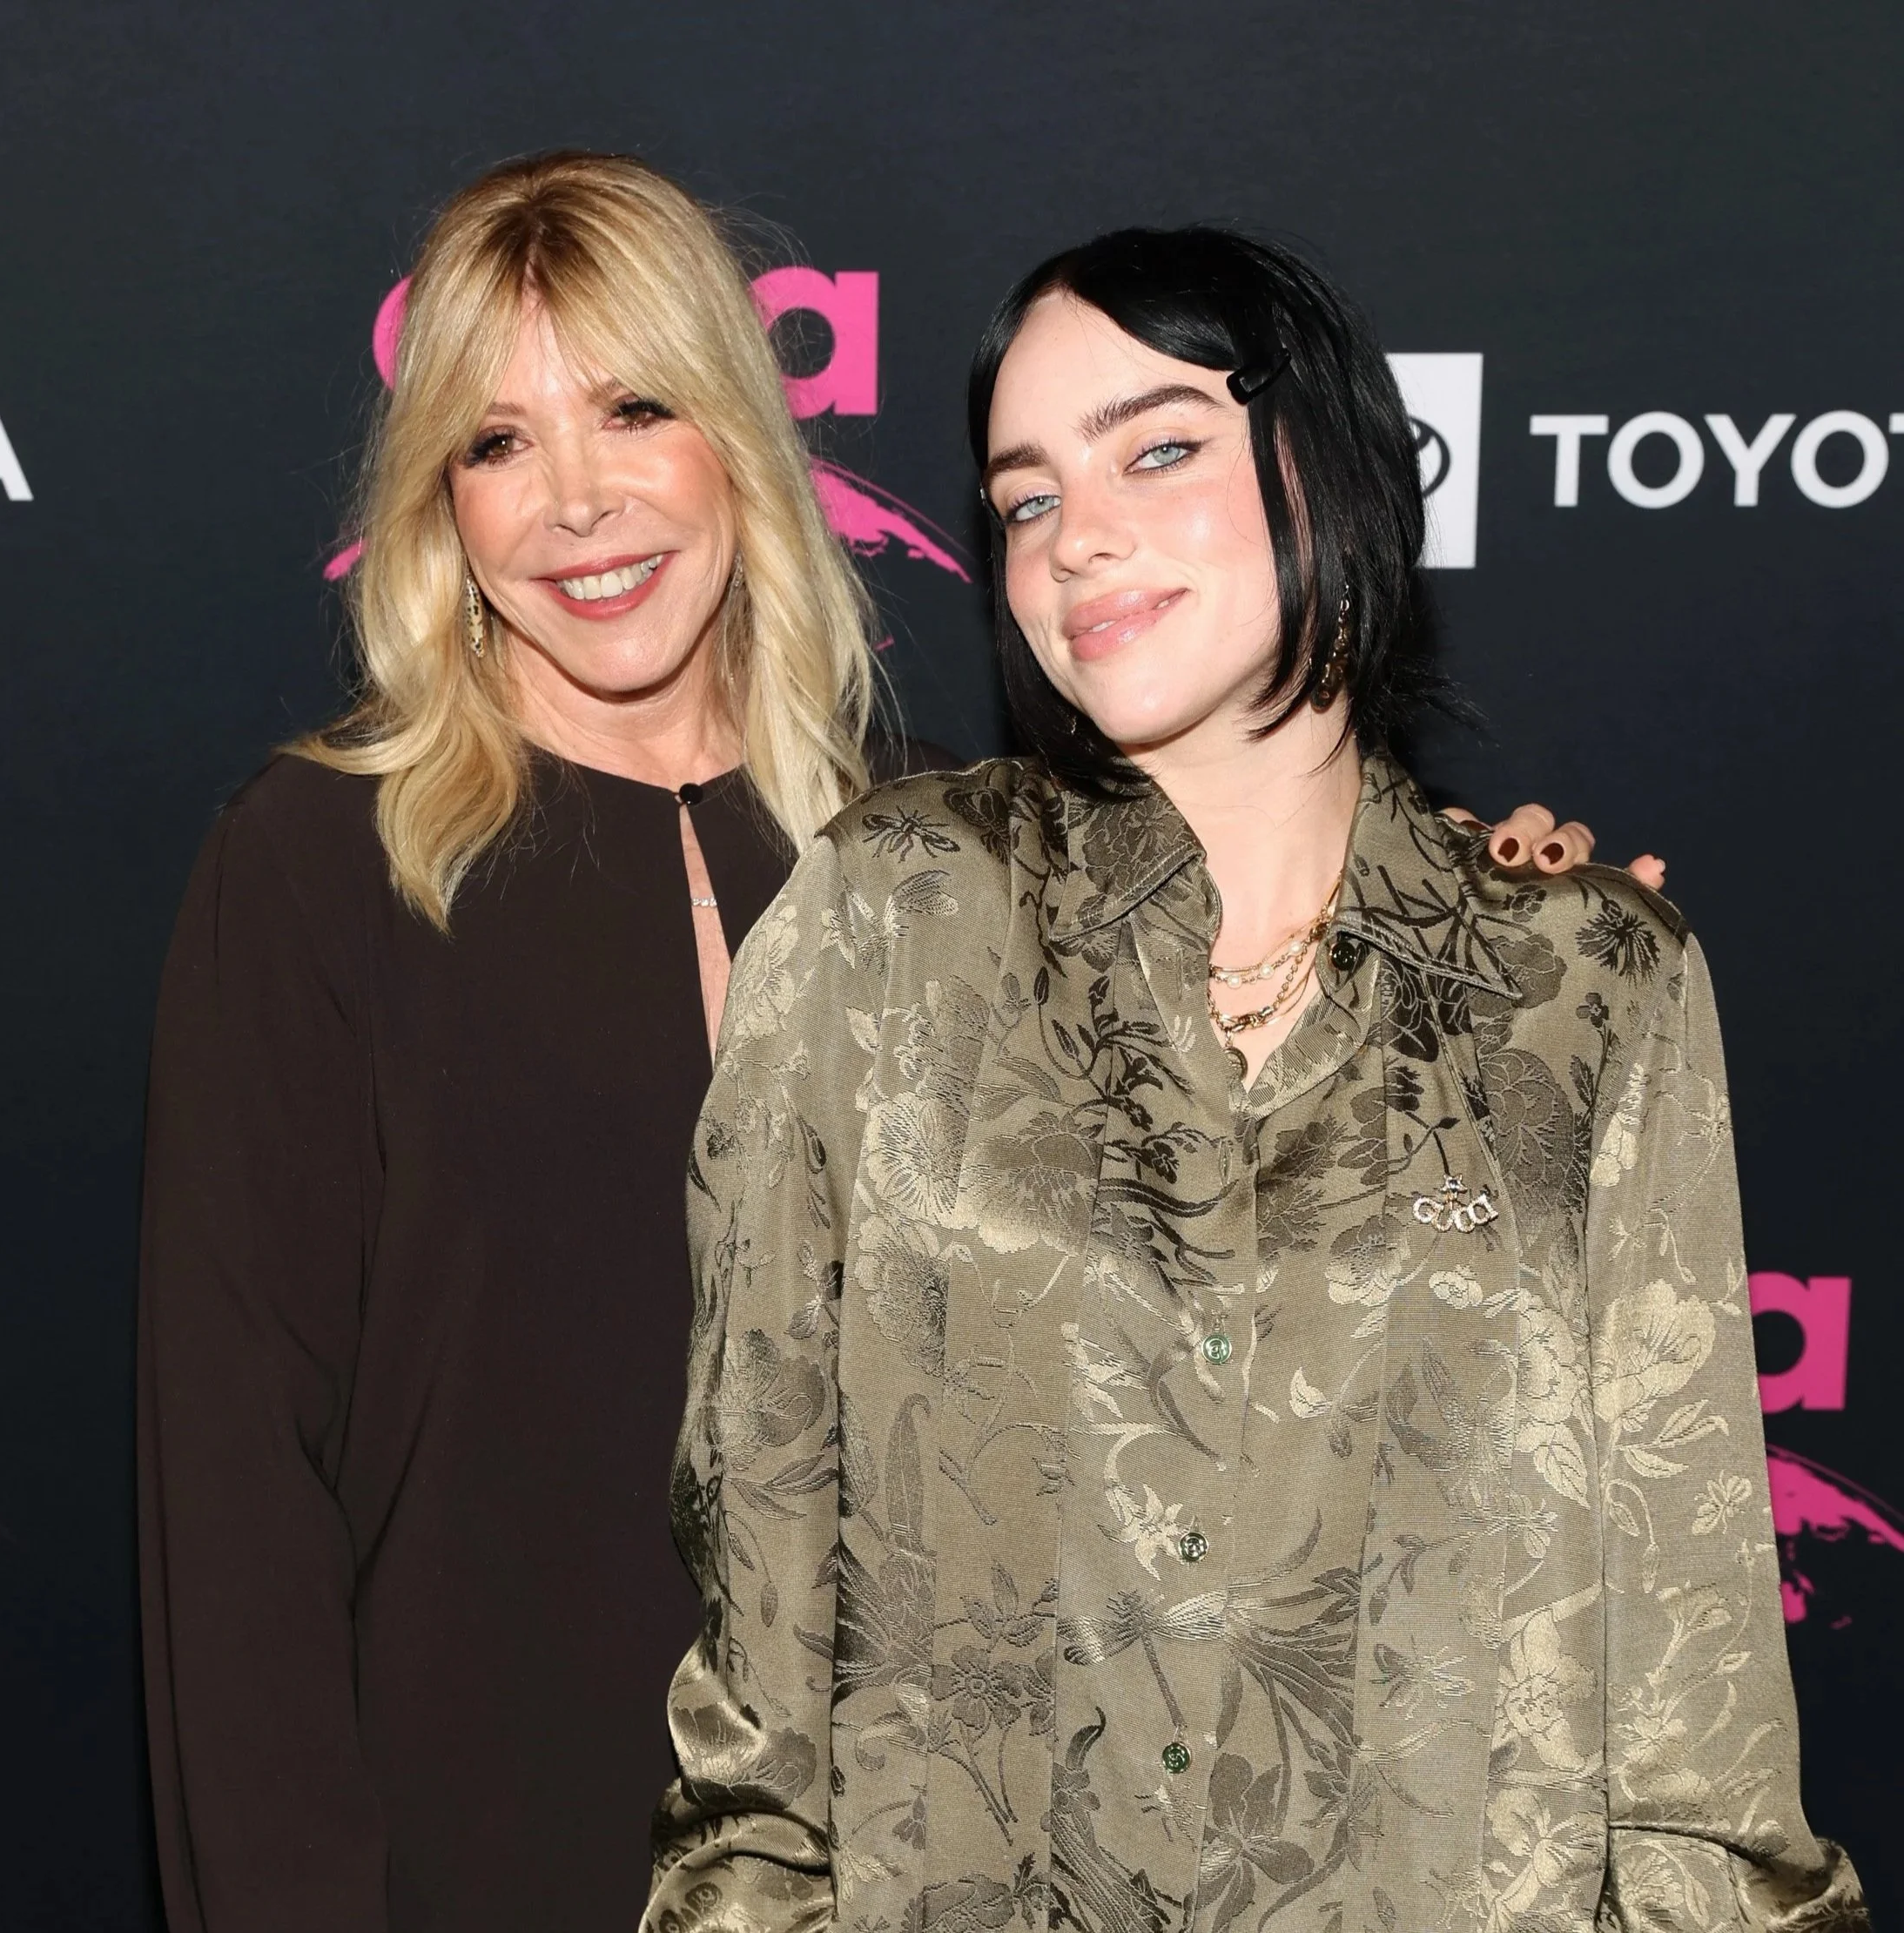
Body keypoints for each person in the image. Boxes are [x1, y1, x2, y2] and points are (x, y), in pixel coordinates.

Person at [137, 150, 1623, 1931]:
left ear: (740, 436)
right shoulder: (325, 870)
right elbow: (234, 1504)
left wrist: (1485, 920)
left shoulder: (962, 861)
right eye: (497, 441)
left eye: (634, 409)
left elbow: (1251, 1247)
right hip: (479, 1850)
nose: (579, 502)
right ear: (441, 504)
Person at [651, 228, 1864, 1932]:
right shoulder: (888, 924)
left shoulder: (1588, 987)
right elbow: (761, 1654)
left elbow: (1694, 1714)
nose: (1078, 536)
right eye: (1025, 497)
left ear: (1331, 465)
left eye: (1156, 450)